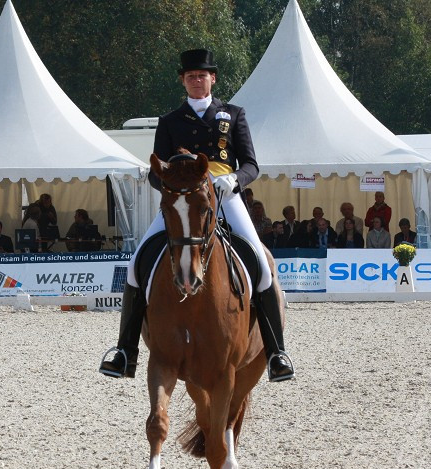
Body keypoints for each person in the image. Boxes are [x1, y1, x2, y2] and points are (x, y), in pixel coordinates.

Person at [100, 48, 294, 382]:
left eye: (202, 76)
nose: (196, 81)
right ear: (183, 81)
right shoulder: (170, 121)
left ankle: (276, 351)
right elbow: (155, 170)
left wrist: (234, 179)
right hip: (181, 200)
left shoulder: (232, 114)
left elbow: (251, 163)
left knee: (262, 266)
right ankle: (124, 351)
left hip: (223, 194)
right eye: (190, 76)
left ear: (212, 78)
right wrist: (172, 187)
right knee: (136, 265)